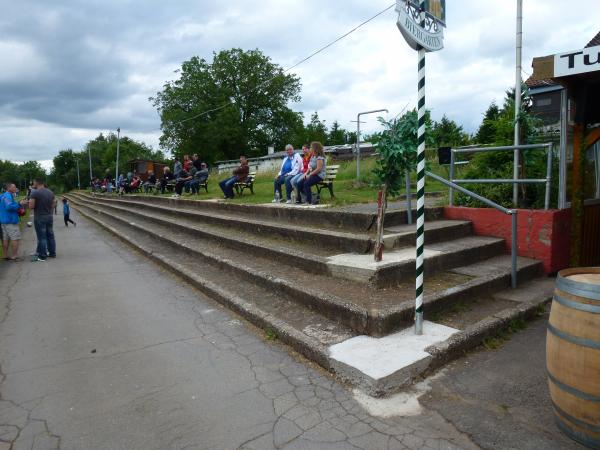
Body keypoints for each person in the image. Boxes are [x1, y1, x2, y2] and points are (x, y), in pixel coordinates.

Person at [29, 178, 56, 261]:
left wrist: (29, 203)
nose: (33, 184)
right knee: (50, 235)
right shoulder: (50, 192)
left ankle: (42, 256)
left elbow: (31, 206)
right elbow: (54, 203)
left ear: (36, 183)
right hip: (49, 216)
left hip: (40, 217)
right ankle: (52, 253)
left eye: (33, 182)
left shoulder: (35, 192)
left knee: (42, 237)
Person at [0, 182, 25, 261]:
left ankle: (5, 255)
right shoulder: (8, 196)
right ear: (9, 188)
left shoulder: (2, 195)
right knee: (15, 238)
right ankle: (14, 255)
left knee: (5, 239)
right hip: (10, 221)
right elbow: (9, 207)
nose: (15, 188)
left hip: (3, 220)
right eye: (14, 187)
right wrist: (19, 204)